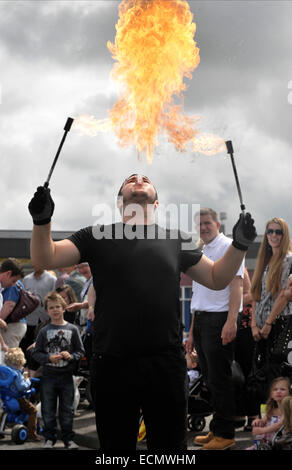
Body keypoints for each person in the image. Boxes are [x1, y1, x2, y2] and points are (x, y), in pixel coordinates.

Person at [28, 174, 256, 451]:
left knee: (169, 451)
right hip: (112, 362)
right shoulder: (96, 236)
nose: (138, 179)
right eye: (131, 179)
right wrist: (42, 221)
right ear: (120, 201)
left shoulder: (176, 240)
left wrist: (240, 244)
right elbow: (45, 257)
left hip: (165, 364)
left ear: (157, 204)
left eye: (145, 179)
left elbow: (217, 277)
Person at [186, 208, 245, 450]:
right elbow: (198, 294)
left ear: (217, 224)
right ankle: (216, 429)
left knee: (220, 379)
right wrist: (191, 332)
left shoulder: (229, 247)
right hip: (201, 319)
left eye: (207, 223)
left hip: (219, 319)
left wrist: (231, 321)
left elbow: (237, 286)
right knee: (210, 379)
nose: (203, 228)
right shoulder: (201, 250)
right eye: (199, 224)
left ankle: (226, 434)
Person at [32, 291, 85, 449]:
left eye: (58, 307)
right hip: (48, 376)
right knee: (48, 409)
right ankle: (50, 438)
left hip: (67, 376)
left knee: (67, 409)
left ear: (64, 308)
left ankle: (68, 439)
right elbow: (36, 353)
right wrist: (48, 358)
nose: (55, 310)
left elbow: (80, 351)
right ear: (47, 311)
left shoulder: (73, 329)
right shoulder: (44, 331)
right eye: (51, 307)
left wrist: (71, 355)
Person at [250, 218, 292, 404]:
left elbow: (285, 295)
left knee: (277, 378)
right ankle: (265, 419)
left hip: (281, 324)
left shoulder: (289, 260)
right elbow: (255, 296)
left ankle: (282, 423)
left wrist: (268, 323)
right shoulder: (264, 261)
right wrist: (253, 325)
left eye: (278, 231)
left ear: (285, 235)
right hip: (260, 328)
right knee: (260, 376)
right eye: (270, 231)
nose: (273, 235)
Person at [234, 267, 258, 431]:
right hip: (221, 324)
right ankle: (238, 414)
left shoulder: (238, 266)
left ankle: (252, 415)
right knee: (232, 374)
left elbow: (252, 296)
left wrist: (231, 302)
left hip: (244, 327)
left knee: (247, 371)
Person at [4, 347, 41, 441]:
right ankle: (32, 433)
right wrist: (28, 381)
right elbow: (22, 387)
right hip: (18, 399)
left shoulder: (5, 372)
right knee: (33, 411)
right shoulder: (16, 374)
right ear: (20, 362)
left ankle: (2, 428)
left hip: (7, 399)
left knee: (4, 412)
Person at [246, 376, 291, 449]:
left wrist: (261, 430)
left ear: (290, 393)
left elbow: (280, 424)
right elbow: (264, 419)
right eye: (275, 389)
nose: (278, 391)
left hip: (285, 440)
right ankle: (263, 445)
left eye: (282, 389)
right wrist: (258, 421)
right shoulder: (272, 409)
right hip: (271, 440)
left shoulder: (288, 407)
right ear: (271, 394)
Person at [20, 267, 56, 354]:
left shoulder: (52, 279)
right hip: (29, 318)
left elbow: (54, 298)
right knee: (26, 343)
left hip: (44, 318)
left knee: (42, 344)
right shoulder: (27, 279)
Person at [0, 275, 27, 350]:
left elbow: (9, 305)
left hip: (11, 325)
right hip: (13, 324)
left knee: (9, 356)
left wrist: (0, 320)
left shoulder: (12, 284)